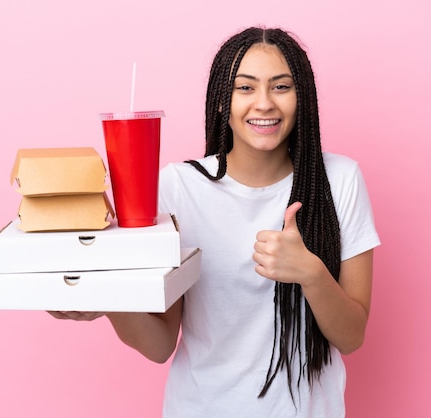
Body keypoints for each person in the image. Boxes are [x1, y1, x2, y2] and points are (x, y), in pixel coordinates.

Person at [50, 26, 380, 417]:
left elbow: (351, 336)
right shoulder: (178, 187)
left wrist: (310, 273)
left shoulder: (339, 179)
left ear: (301, 98)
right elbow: (159, 346)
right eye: (245, 88)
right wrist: (109, 296)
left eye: (281, 87)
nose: (263, 104)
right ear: (222, 101)